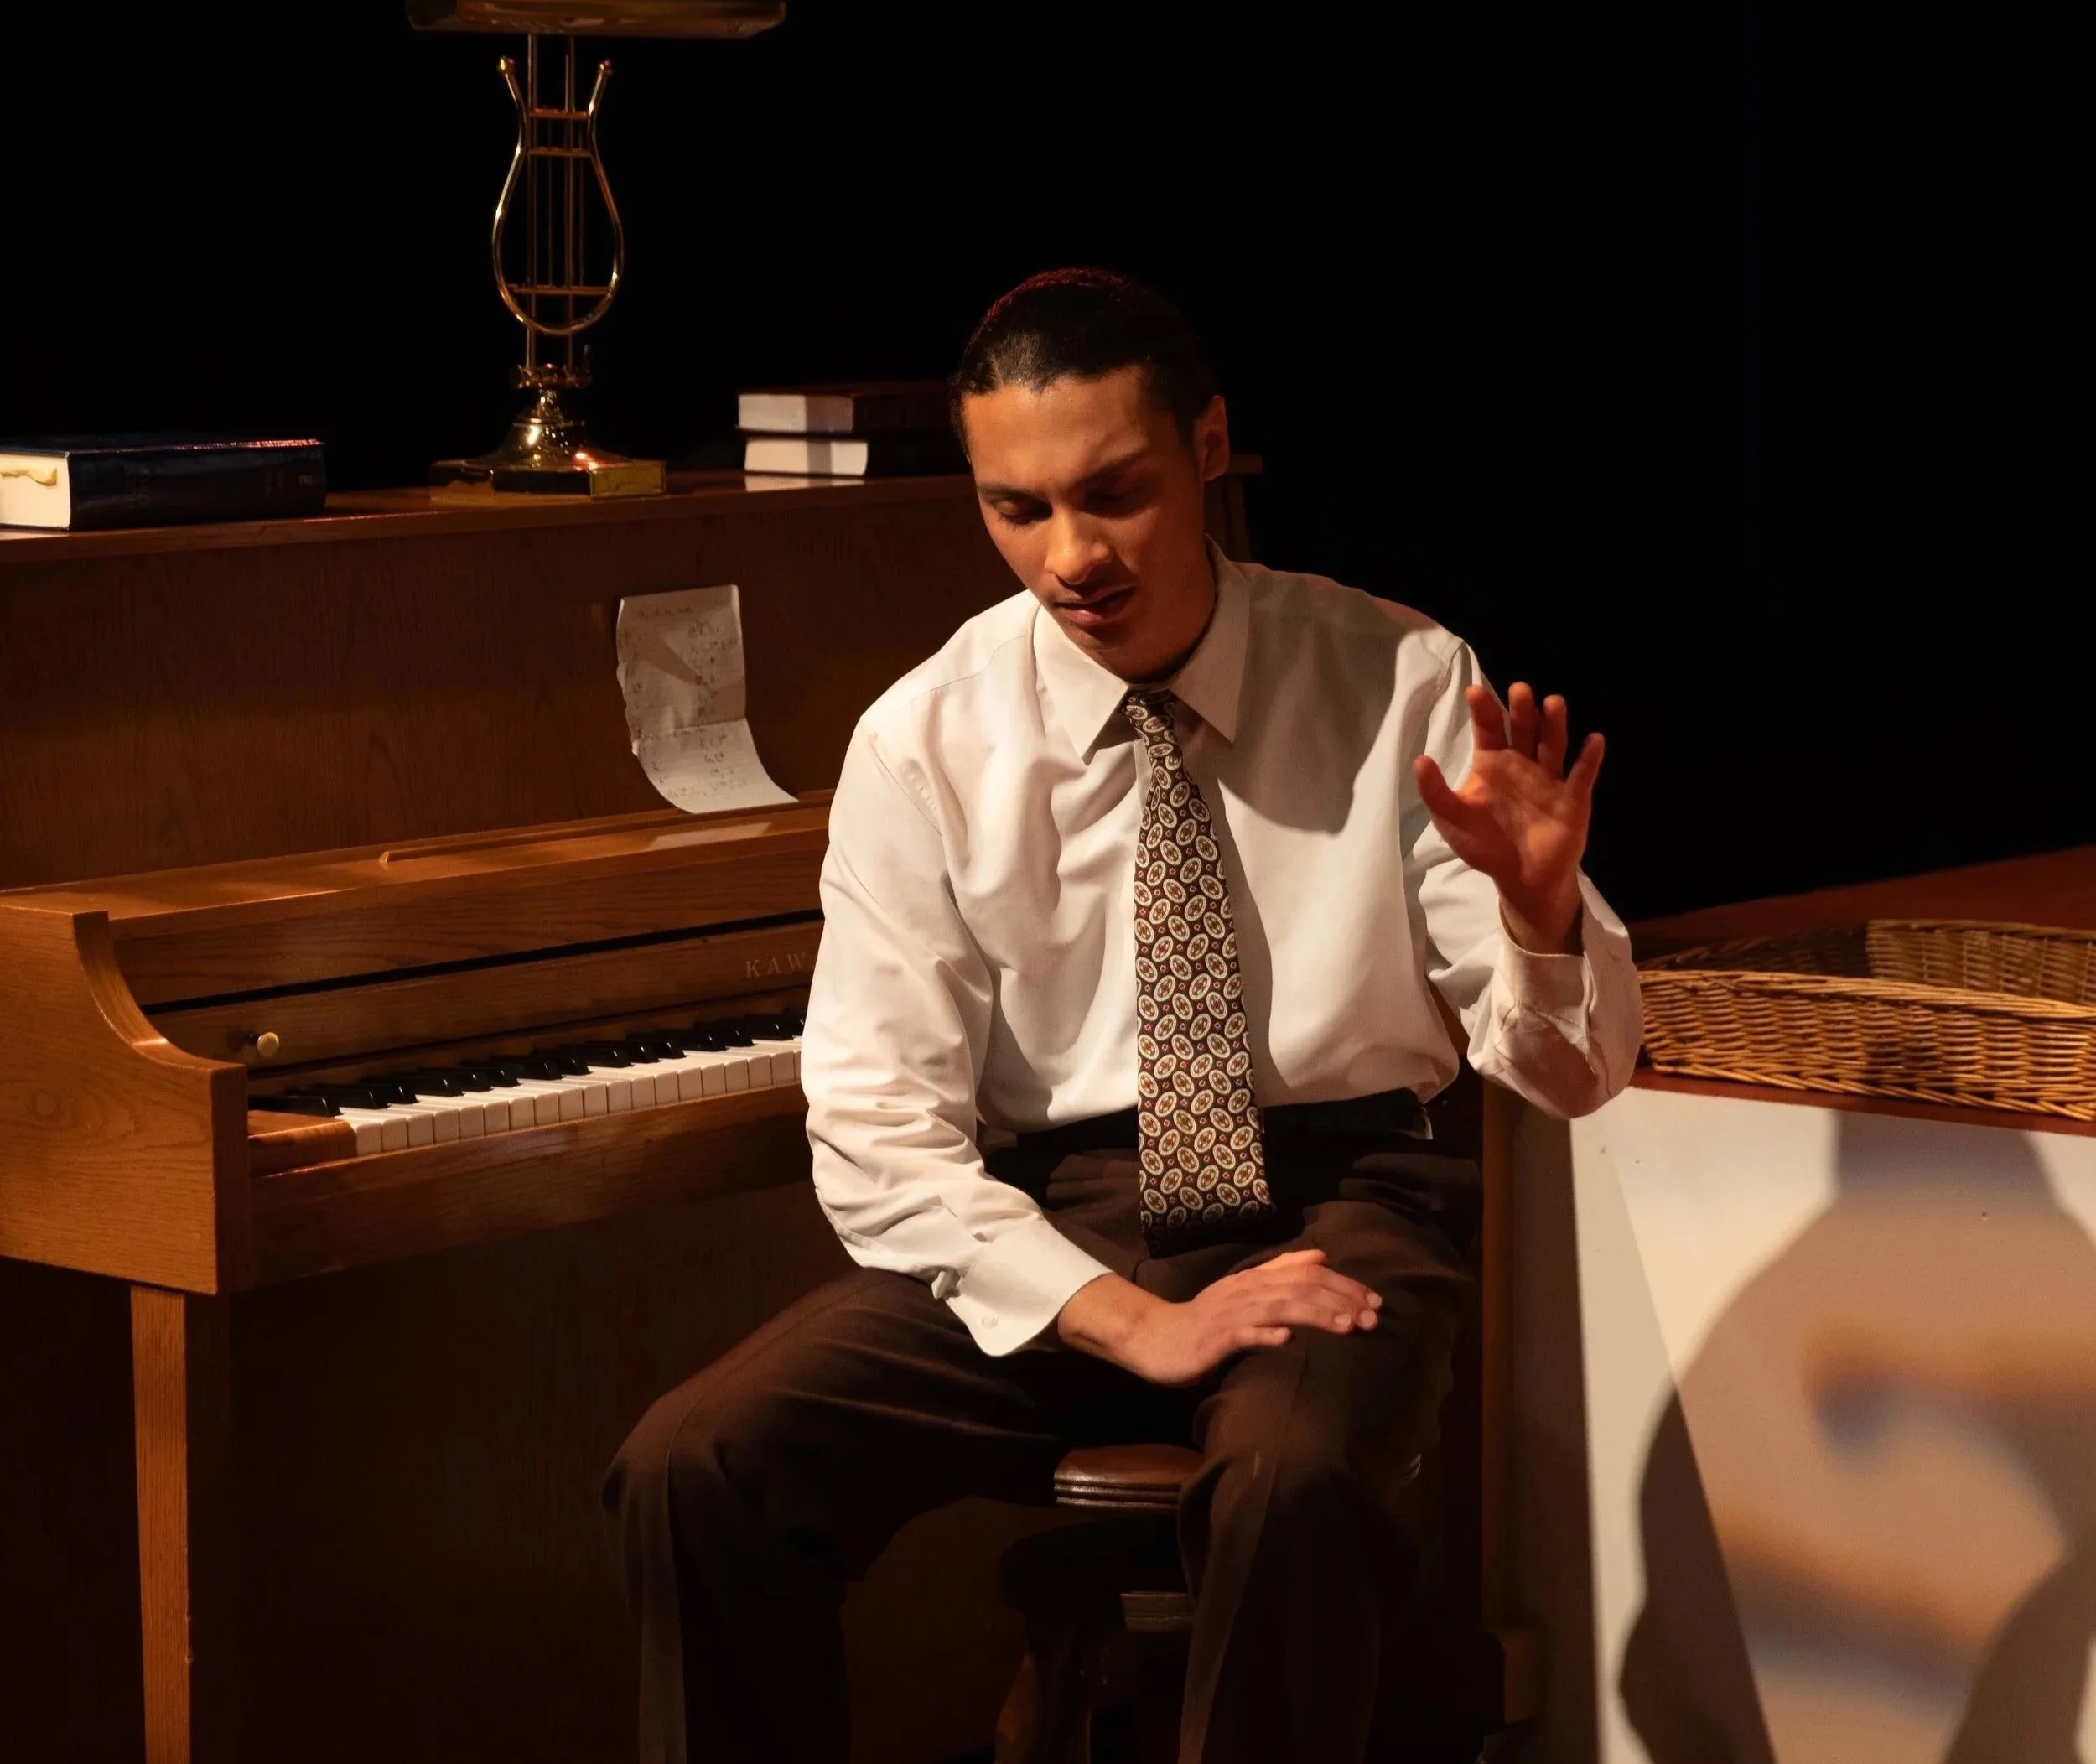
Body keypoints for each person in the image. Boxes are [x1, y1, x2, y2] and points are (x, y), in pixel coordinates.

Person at [604, 267, 1642, 1763]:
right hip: (1060, 1220)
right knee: (696, 1460)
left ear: (1210, 445)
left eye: (1114, 494)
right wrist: (1137, 1322)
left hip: (1332, 1198)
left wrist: (1544, 916)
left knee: (1291, 1484)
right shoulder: (925, 738)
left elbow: (1575, 1074)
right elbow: (880, 1128)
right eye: (1015, 509)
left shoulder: (1400, 676)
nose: (1070, 556)